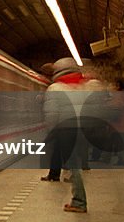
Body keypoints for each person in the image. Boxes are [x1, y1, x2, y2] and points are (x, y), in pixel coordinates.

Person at [41, 57, 97, 213]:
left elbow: (52, 114)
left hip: (66, 129)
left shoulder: (55, 88)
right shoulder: (83, 86)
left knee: (73, 166)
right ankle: (78, 199)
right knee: (75, 165)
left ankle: (79, 201)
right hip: (82, 129)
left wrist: (52, 132)